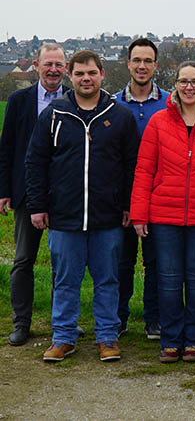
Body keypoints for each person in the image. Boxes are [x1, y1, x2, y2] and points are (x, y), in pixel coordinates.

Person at [25, 50, 140, 362]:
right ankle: (63, 337)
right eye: (79, 74)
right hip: (64, 216)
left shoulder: (120, 115)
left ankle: (107, 337)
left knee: (107, 280)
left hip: (108, 216)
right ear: (70, 77)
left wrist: (130, 205)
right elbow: (36, 162)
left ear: (102, 74)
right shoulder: (54, 115)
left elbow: (132, 166)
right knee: (65, 280)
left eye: (91, 73)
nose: (85, 79)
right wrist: (37, 205)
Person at [130, 61, 195, 363]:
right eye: (183, 81)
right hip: (164, 215)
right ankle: (171, 340)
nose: (189, 87)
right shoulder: (159, 122)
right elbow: (144, 170)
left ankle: (194, 340)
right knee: (167, 278)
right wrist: (139, 213)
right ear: (175, 85)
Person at [0, 44, 69, 346]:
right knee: (23, 259)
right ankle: (21, 322)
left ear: (66, 67)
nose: (53, 69)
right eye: (48, 64)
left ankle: (62, 323)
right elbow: (7, 149)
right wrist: (4, 191)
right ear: (37, 66)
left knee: (63, 263)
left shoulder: (74, 99)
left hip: (64, 194)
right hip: (27, 192)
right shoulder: (19, 100)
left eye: (59, 64)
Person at [115, 38, 169, 340]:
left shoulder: (170, 103)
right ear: (128, 63)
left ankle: (154, 319)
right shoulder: (111, 102)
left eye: (148, 61)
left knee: (155, 261)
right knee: (121, 260)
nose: (142, 66)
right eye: (137, 60)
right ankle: (118, 317)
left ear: (155, 66)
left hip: (159, 194)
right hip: (121, 194)